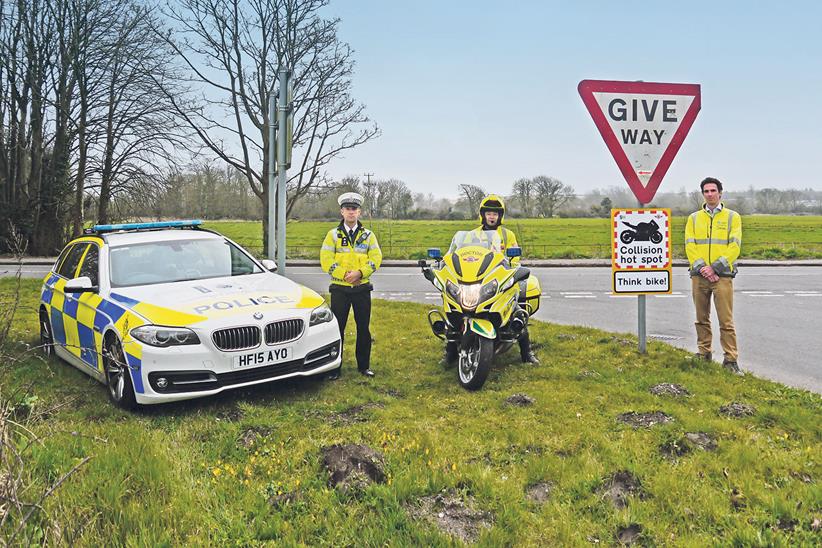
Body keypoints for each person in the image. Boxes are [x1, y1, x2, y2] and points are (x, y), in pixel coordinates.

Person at [464, 194, 539, 364]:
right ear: (483, 215)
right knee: (458, 307)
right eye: (489, 213)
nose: (492, 217)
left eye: (495, 214)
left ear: (500, 216)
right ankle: (450, 351)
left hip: (501, 278)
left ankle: (526, 353)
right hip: (478, 278)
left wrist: (509, 270)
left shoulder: (507, 235)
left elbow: (515, 258)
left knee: (517, 310)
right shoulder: (472, 235)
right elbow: (462, 254)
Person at [320, 192, 382, 378]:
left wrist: (360, 273)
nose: (351, 212)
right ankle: (334, 367)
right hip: (340, 289)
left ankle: (364, 366)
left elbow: (376, 258)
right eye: (348, 209)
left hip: (362, 288)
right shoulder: (333, 235)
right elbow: (325, 259)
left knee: (363, 328)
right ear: (342, 212)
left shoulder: (368, 236)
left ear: (359, 212)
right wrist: (344, 275)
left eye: (354, 209)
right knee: (337, 328)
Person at [685, 177, 743, 375]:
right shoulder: (693, 218)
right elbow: (690, 245)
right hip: (699, 276)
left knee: (726, 320)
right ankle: (704, 353)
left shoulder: (732, 217)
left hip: (722, 276)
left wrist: (715, 268)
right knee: (701, 318)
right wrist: (703, 268)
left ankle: (730, 359)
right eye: (706, 191)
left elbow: (734, 246)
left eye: (713, 190)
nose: (709, 194)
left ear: (720, 193)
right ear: (703, 194)